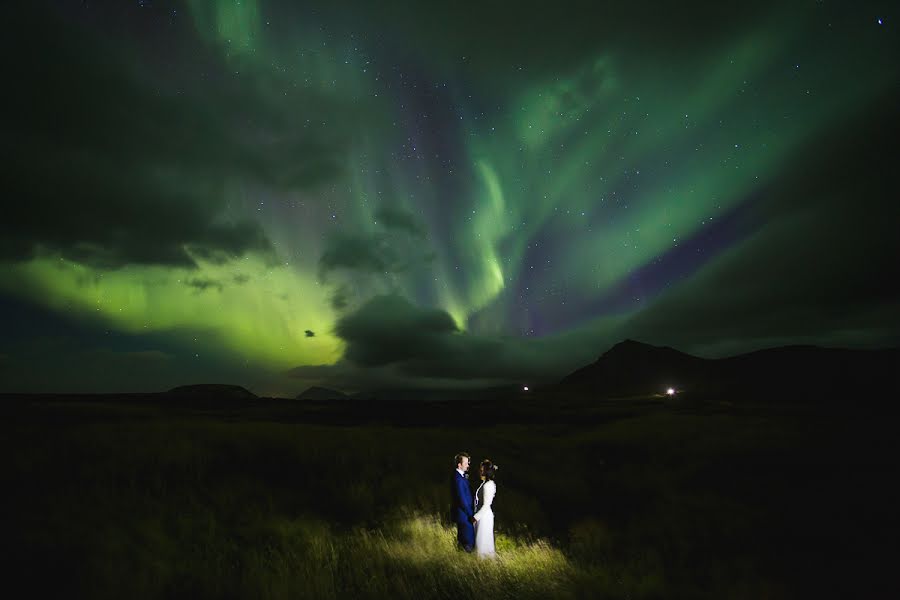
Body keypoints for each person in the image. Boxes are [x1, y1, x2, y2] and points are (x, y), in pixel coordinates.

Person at [450, 452, 475, 552]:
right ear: (459, 465)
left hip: (463, 515)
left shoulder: (461, 477)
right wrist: (471, 514)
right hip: (464, 515)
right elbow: (462, 499)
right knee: (467, 541)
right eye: (466, 463)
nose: (468, 465)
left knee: (463, 540)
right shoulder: (458, 479)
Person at [473, 459, 498, 558]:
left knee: (482, 542)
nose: (480, 471)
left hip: (484, 517)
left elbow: (486, 505)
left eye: (482, 469)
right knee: (480, 541)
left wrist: (475, 517)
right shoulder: (484, 484)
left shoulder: (489, 485)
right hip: (481, 516)